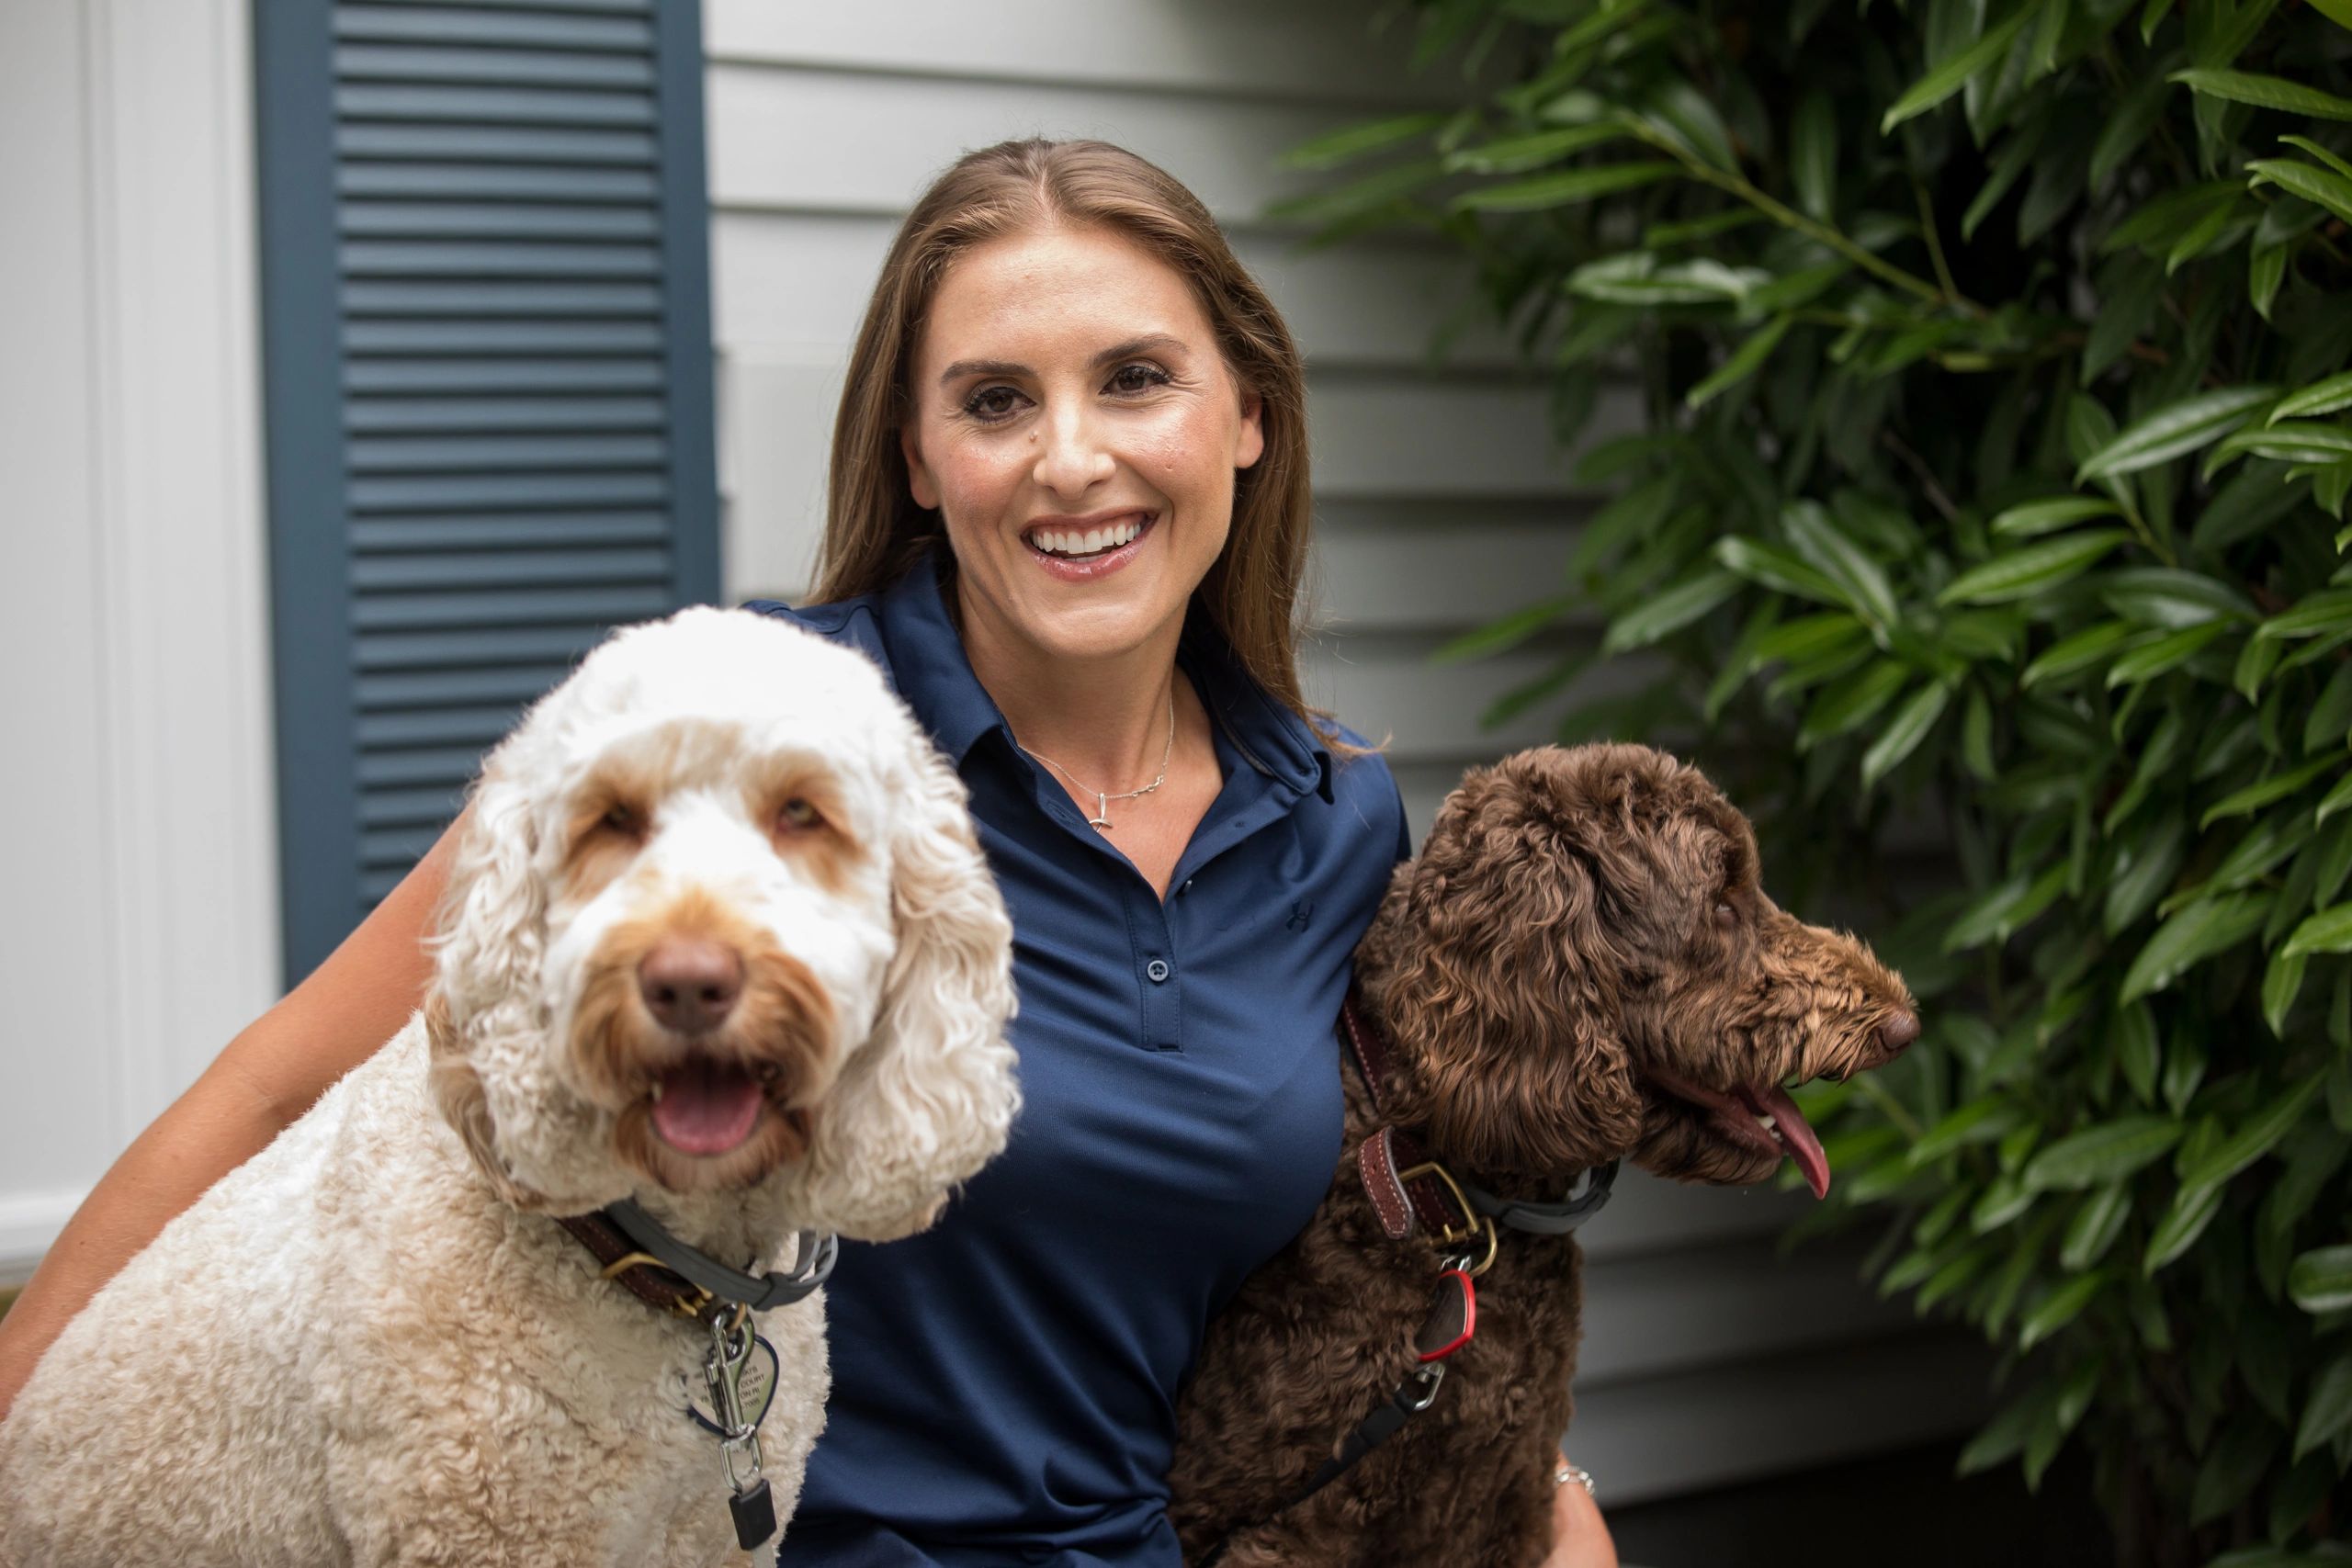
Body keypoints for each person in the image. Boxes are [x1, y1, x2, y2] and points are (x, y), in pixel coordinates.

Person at [0, 138, 1615, 1568]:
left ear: (1247, 414)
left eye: (1136, 378)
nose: (1070, 458)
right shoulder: (733, 725)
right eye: (995, 400)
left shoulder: (1331, 818)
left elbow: (1357, 1248)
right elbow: (284, 1085)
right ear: (919, 459)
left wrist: (1527, 1477)